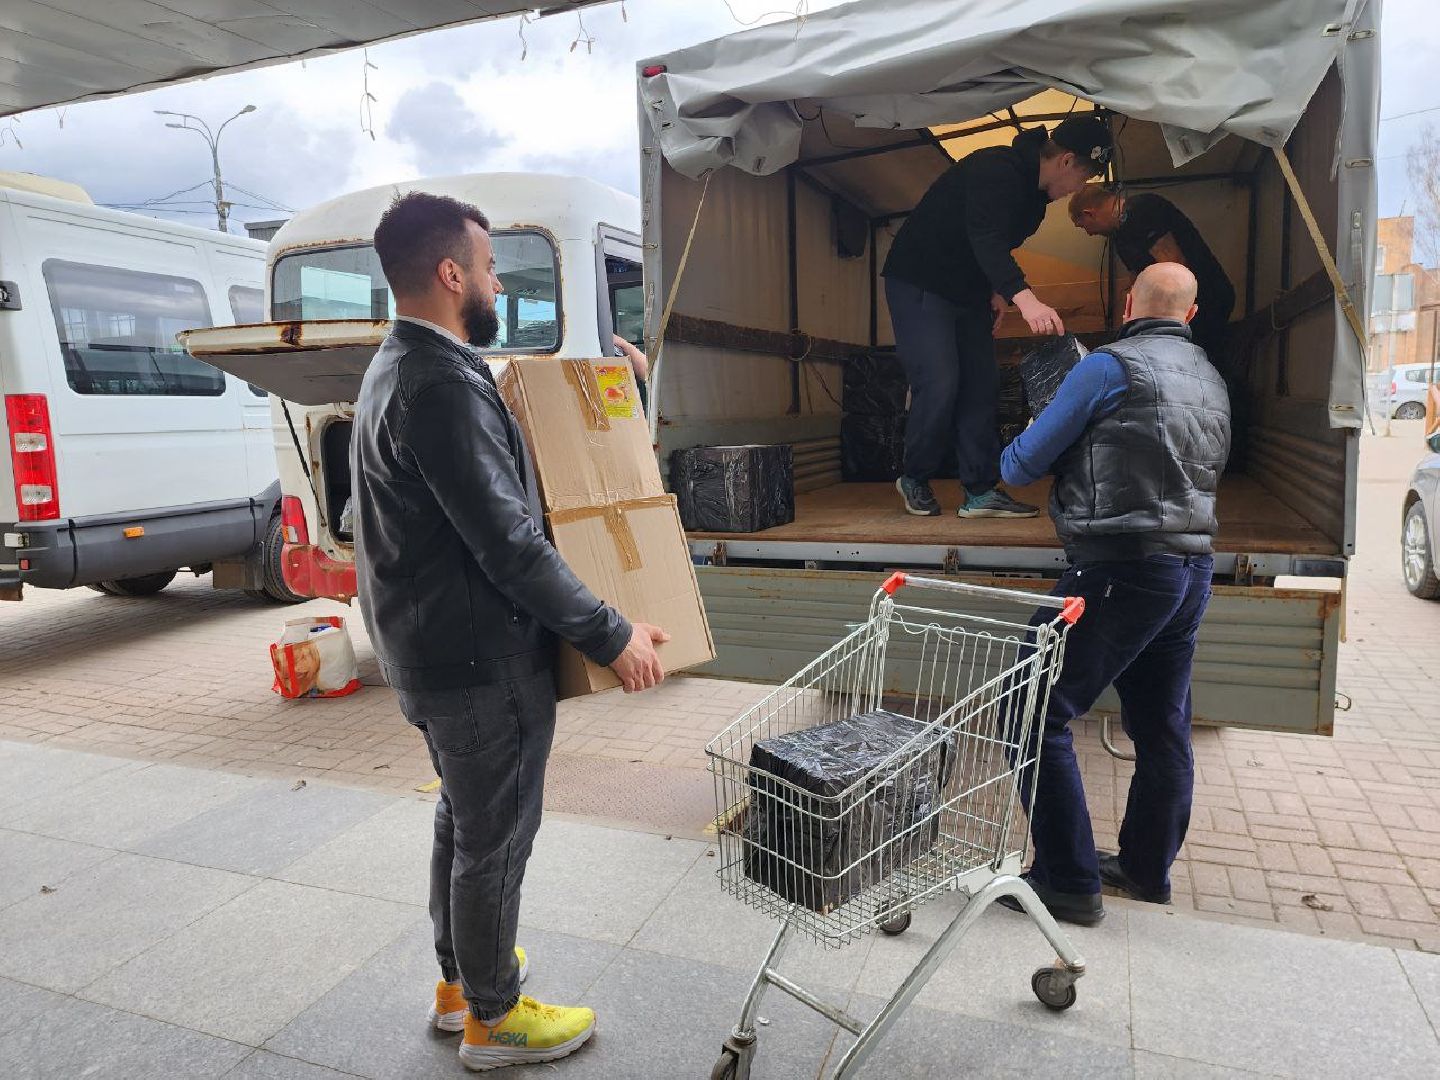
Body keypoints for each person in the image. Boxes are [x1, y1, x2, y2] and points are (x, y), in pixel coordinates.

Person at [351, 191, 670, 1071]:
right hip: (478, 660)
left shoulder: (392, 367)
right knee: (496, 838)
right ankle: (494, 1018)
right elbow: (509, 543)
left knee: (465, 818)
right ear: (452, 274)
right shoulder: (442, 386)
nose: (496, 283)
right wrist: (611, 634)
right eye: (489, 268)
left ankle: (461, 981)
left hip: (427, 649)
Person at [996, 262, 1232, 926]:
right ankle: (1144, 871)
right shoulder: (1210, 379)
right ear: (1189, 315)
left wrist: (1045, 426)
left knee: (1029, 707)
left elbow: (1020, 465)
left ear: (1129, 304)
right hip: (1191, 569)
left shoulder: (1107, 367)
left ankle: (1066, 882)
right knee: (1161, 726)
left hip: (1119, 565)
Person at [882, 115, 1114, 520]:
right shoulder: (996, 168)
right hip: (921, 280)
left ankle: (980, 491)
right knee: (939, 380)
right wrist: (1025, 299)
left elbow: (996, 247)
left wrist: (995, 291)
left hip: (967, 292)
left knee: (981, 384)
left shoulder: (1034, 204)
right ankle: (914, 476)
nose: (1079, 188)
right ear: (1066, 161)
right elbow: (984, 234)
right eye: (1084, 176)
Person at [1068, 185, 1235, 359]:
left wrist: (1158, 323)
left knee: (1202, 361)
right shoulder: (1120, 237)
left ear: (1089, 214)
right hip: (1184, 310)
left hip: (1208, 300)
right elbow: (1137, 281)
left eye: (1083, 226)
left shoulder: (1144, 210)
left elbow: (1175, 269)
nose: (1088, 233)